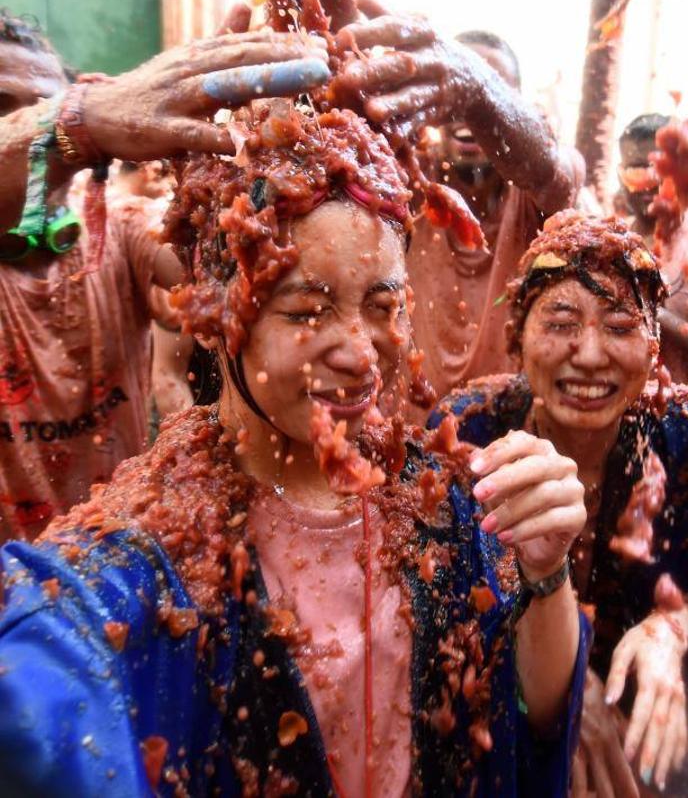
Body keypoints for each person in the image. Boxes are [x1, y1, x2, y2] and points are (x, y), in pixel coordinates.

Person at [0, 102, 588, 797]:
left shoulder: (438, 495)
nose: (359, 350)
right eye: (305, 311)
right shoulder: (148, 546)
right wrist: (68, 131)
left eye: (381, 306)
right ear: (220, 318)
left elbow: (534, 720)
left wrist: (546, 572)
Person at [0, 10, 329, 540]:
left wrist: (275, 149)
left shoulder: (120, 229)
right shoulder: (73, 126)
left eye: (39, 103)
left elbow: (238, 267)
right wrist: (74, 120)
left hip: (111, 563)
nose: (26, 124)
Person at [431, 210, 688, 795]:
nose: (588, 354)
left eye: (619, 325)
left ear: (654, 347)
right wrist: (573, 705)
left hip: (660, 728)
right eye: (560, 322)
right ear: (517, 338)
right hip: (512, 716)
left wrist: (676, 626)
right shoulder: (469, 429)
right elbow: (447, 620)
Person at [330, 24, 583, 402]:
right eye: (455, 103)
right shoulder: (405, 177)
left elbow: (552, 174)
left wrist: (478, 92)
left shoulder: (539, 191)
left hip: (510, 437)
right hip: (404, 436)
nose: (468, 116)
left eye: (486, 103)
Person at [616, 112, 688, 385]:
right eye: (634, 169)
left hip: (686, 413)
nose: (646, 180)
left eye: (656, 169)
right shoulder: (611, 240)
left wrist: (652, 313)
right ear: (621, 175)